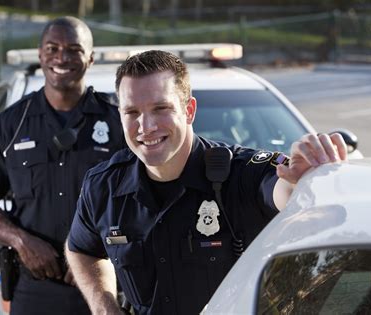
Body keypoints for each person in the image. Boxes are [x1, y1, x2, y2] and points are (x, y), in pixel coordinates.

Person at [65, 50, 347, 315]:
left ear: (189, 110)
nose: (146, 126)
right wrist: (104, 306)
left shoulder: (240, 174)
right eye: (132, 112)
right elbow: (81, 248)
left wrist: (302, 179)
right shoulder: (104, 186)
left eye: (160, 108)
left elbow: (283, 190)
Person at [0, 16, 124, 315]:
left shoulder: (119, 122)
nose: (62, 57)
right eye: (53, 48)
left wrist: (102, 254)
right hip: (37, 287)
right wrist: (22, 241)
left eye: (74, 49)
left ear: (90, 58)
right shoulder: (12, 123)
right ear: (41, 56)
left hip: (107, 286)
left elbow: (147, 199)